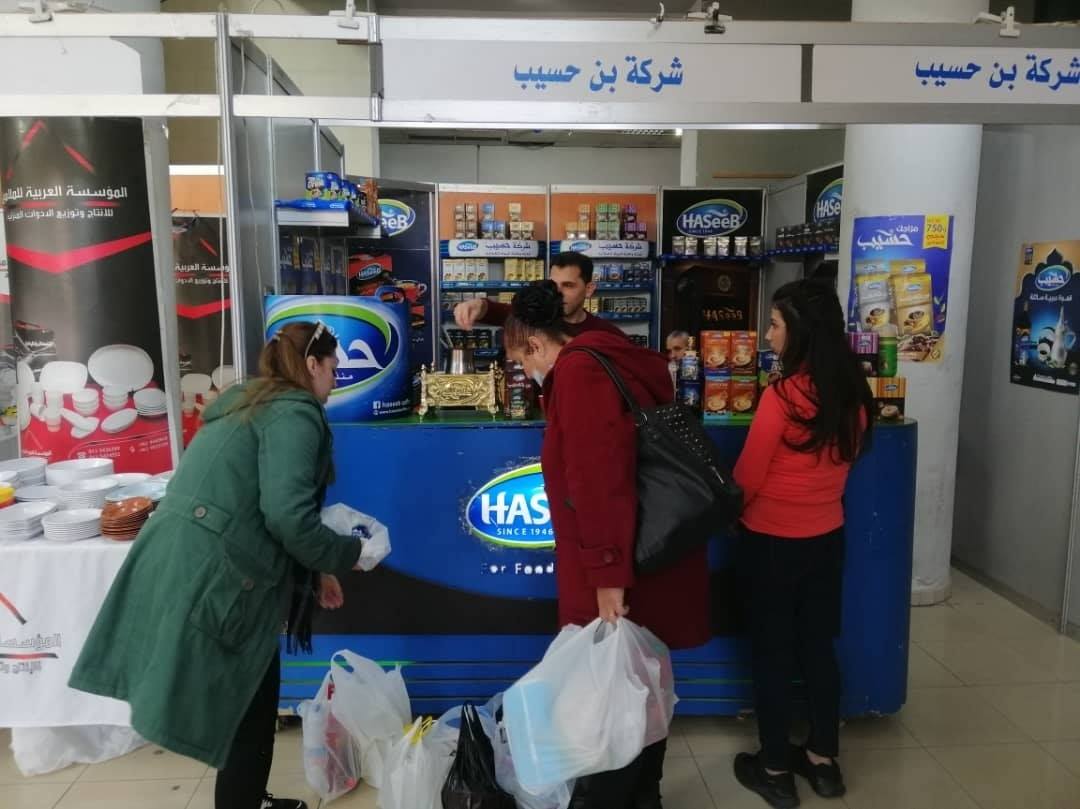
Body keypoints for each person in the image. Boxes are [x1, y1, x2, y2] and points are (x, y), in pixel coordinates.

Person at [69, 322, 367, 809]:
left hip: (185, 563)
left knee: (248, 696)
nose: (335, 381)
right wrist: (348, 555)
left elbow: (262, 504)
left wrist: (316, 571)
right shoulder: (295, 414)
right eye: (334, 369)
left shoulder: (251, 403)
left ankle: (246, 798)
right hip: (218, 576)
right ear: (312, 364)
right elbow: (287, 516)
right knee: (249, 701)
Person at [503, 281, 711, 809]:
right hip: (648, 550)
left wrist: (607, 577)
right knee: (641, 680)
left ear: (535, 344)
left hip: (618, 563)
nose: (526, 374)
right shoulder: (612, 352)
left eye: (522, 362)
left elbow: (598, 482)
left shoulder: (579, 373)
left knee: (609, 694)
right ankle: (644, 796)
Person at [731, 281, 874, 809]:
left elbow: (748, 476)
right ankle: (823, 760)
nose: (767, 335)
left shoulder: (783, 396)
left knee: (772, 653)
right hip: (826, 538)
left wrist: (732, 513)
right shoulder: (853, 394)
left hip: (771, 541)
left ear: (801, 333)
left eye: (774, 325)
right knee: (817, 648)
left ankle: (773, 768)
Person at [454, 251, 627, 339]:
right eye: (553, 284)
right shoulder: (535, 317)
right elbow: (498, 312)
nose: (558, 292)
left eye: (568, 285)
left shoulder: (606, 334)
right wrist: (478, 305)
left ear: (589, 289)